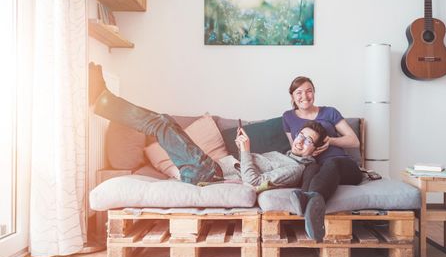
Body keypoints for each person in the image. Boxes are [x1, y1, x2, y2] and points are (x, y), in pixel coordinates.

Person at [89, 63, 327, 194]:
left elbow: (254, 183)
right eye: (302, 136)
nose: (300, 141)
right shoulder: (286, 155)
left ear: (314, 151)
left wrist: (245, 150)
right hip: (209, 168)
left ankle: (103, 100)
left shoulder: (293, 169)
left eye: (308, 142)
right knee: (164, 121)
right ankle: (104, 99)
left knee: (161, 123)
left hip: (209, 175)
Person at [282, 76, 364, 241]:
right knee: (311, 168)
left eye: (309, 91)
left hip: (342, 165)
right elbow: (295, 150)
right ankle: (310, 209)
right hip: (314, 167)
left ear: (314, 93)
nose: (304, 96)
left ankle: (310, 199)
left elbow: (354, 141)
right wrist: (305, 152)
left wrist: (330, 141)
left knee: (331, 163)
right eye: (299, 92)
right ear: (292, 96)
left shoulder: (329, 112)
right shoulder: (288, 117)